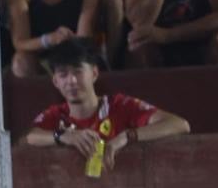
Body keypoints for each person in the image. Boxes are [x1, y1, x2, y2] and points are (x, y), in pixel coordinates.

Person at [21, 39, 190, 168]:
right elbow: (26, 140)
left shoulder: (120, 105)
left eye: (78, 72)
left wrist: (125, 137)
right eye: (63, 75)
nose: (71, 81)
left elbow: (179, 124)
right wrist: (63, 136)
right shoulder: (55, 114)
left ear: (94, 73)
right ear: (55, 81)